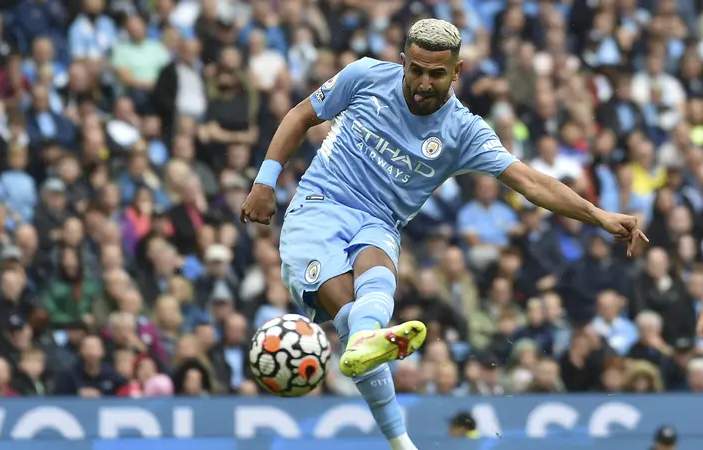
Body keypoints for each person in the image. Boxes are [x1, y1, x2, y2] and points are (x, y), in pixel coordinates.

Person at [240, 18, 647, 450]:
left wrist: (598, 214)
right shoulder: (363, 77)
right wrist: (265, 182)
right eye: (415, 69)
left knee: (375, 286)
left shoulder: (463, 131)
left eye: (436, 73)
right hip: (320, 207)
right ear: (402, 62)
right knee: (349, 308)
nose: (422, 82)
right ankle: (384, 398)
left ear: (457, 71)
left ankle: (379, 385)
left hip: (380, 222)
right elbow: (302, 114)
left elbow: (530, 182)